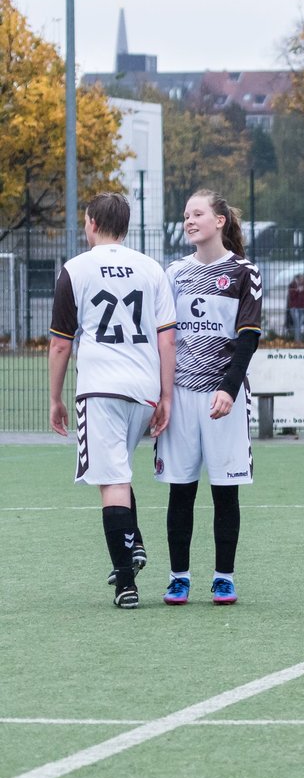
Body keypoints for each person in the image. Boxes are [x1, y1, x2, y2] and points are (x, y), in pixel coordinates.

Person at [48, 192, 177, 608]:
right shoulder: (150, 268)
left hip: (101, 389)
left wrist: (55, 397)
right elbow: (167, 337)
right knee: (119, 472)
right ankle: (133, 544)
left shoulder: (75, 269)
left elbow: (60, 345)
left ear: (90, 223)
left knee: (112, 480)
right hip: (143, 388)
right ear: (125, 226)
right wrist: (166, 396)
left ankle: (126, 581)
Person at [155, 190, 262, 607]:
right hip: (180, 396)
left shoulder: (243, 272)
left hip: (223, 399)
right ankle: (178, 577)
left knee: (225, 491)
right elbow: (162, 338)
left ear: (219, 220)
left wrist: (229, 389)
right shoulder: (173, 273)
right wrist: (159, 396)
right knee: (180, 491)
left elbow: (248, 337)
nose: (189, 220)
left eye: (197, 213)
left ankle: (223, 577)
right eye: (185, 215)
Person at [287, 273, 304, 343]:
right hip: (294, 307)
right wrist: (297, 290)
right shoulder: (292, 285)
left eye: (302, 278)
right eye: (300, 278)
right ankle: (297, 340)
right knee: (297, 324)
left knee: (300, 324)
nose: (301, 279)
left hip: (303, 307)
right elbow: (291, 296)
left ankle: (298, 339)